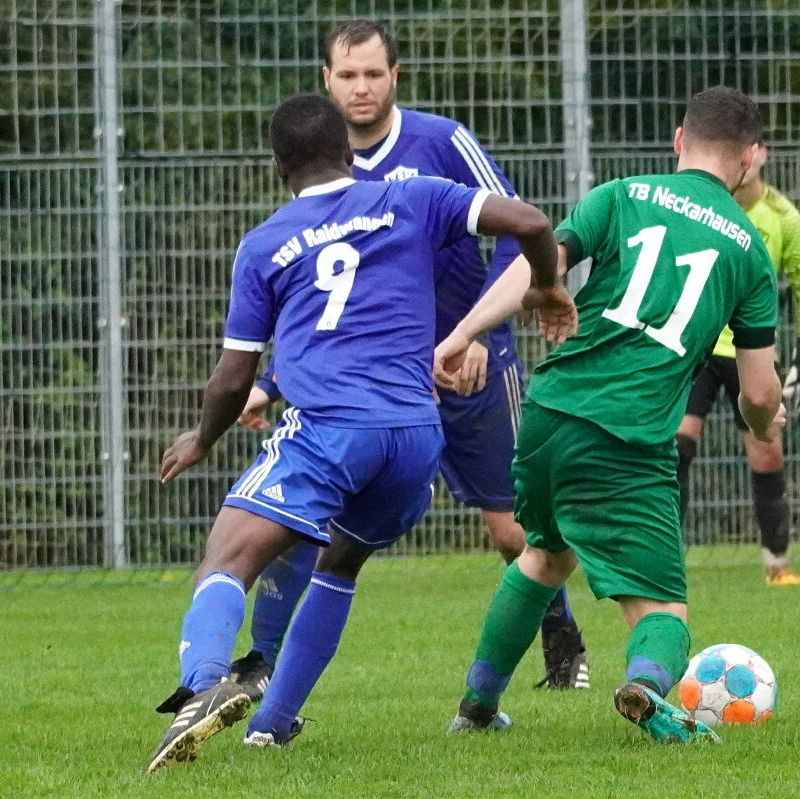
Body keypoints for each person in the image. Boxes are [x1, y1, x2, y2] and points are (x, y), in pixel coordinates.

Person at [147, 92, 571, 773]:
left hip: (329, 430)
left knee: (226, 559)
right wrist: (548, 287)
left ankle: (202, 686)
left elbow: (232, 377)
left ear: (276, 165)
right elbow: (528, 219)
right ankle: (274, 723)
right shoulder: (412, 198)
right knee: (338, 562)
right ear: (350, 151)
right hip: (414, 436)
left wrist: (202, 438)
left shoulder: (264, 245)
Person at [229, 19, 588, 700]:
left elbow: (519, 236)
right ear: (326, 83)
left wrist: (475, 332)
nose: (361, 88)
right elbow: (316, 294)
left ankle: (561, 634)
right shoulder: (320, 168)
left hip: (471, 360)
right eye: (347, 76)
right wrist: (270, 383)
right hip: (369, 382)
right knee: (306, 522)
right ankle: (259, 662)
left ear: (396, 76)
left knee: (512, 530)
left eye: (373, 74)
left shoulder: (443, 142)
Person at [434, 86, 785, 742]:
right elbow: (760, 394)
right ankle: (648, 686)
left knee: (545, 554)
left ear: (679, 140)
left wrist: (464, 331)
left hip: (548, 411)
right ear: (748, 161)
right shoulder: (748, 252)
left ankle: (477, 707)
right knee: (663, 606)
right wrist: (766, 427)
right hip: (628, 435)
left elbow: (539, 269)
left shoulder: (619, 195)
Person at [674, 145, 800, 586]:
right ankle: (664, 559)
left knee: (767, 450)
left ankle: (777, 563)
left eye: (750, 150)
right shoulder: (699, 208)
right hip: (696, 345)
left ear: (760, 156)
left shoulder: (783, 217)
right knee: (673, 447)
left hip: (750, 352)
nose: (742, 160)